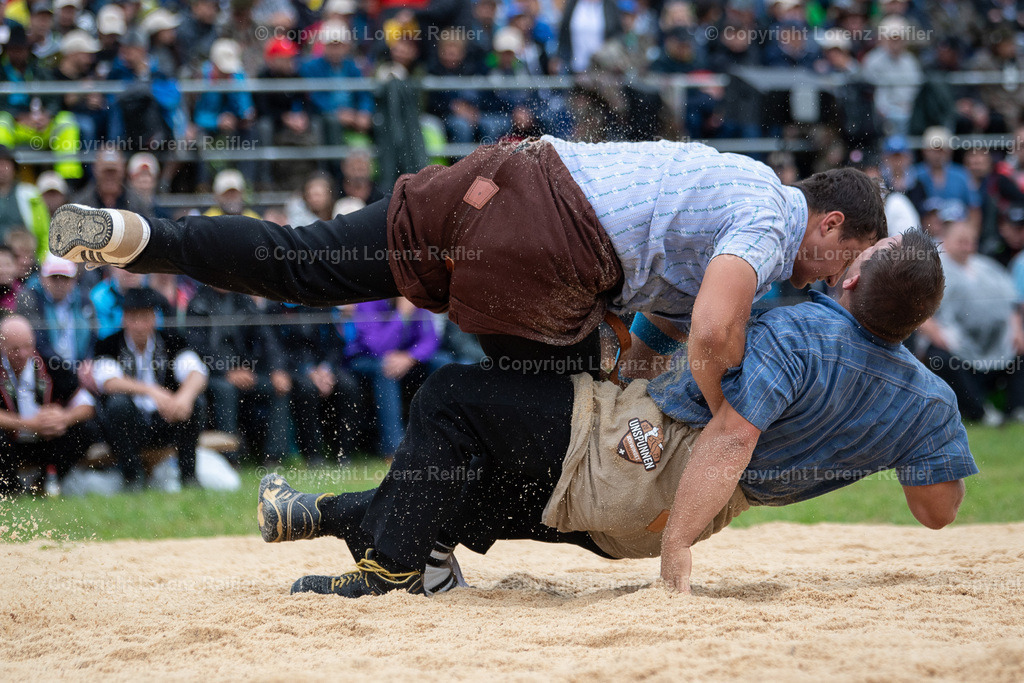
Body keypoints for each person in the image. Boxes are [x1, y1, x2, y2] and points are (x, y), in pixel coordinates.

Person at [256, 229, 976, 597]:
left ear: (851, 276)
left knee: (452, 395)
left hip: (650, 463)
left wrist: (678, 552)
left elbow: (732, 433)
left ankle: (392, 569)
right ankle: (329, 516)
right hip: (668, 510)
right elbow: (937, 510)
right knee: (480, 469)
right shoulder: (929, 402)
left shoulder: (802, 332)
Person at [50, 139, 886, 414]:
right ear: (831, 222)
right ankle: (420, 529)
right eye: (845, 261)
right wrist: (727, 413)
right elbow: (712, 335)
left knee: (303, 259)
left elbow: (659, 327)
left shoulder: (725, 184)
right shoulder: (776, 220)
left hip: (499, 181)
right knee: (551, 414)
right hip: (545, 237)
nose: (831, 279)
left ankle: (136, 233)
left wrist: (639, 363)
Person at [92, 286, 208, 490]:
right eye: (133, 318)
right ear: (124, 319)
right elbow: (109, 382)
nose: (139, 325)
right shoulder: (108, 345)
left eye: (145, 317)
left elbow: (197, 372)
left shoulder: (172, 341)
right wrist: (153, 391)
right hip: (131, 426)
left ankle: (188, 474)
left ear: (154, 318)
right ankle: (133, 476)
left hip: (166, 419)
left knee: (196, 401)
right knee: (117, 405)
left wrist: (183, 398)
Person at [0, 315, 97, 496]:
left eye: (27, 346)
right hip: (11, 443)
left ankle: (45, 484)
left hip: (48, 442)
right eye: (14, 349)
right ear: (2, 347)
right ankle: (11, 490)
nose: (22, 354)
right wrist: (29, 424)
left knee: (86, 429)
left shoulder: (51, 362)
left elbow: (88, 405)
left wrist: (63, 418)